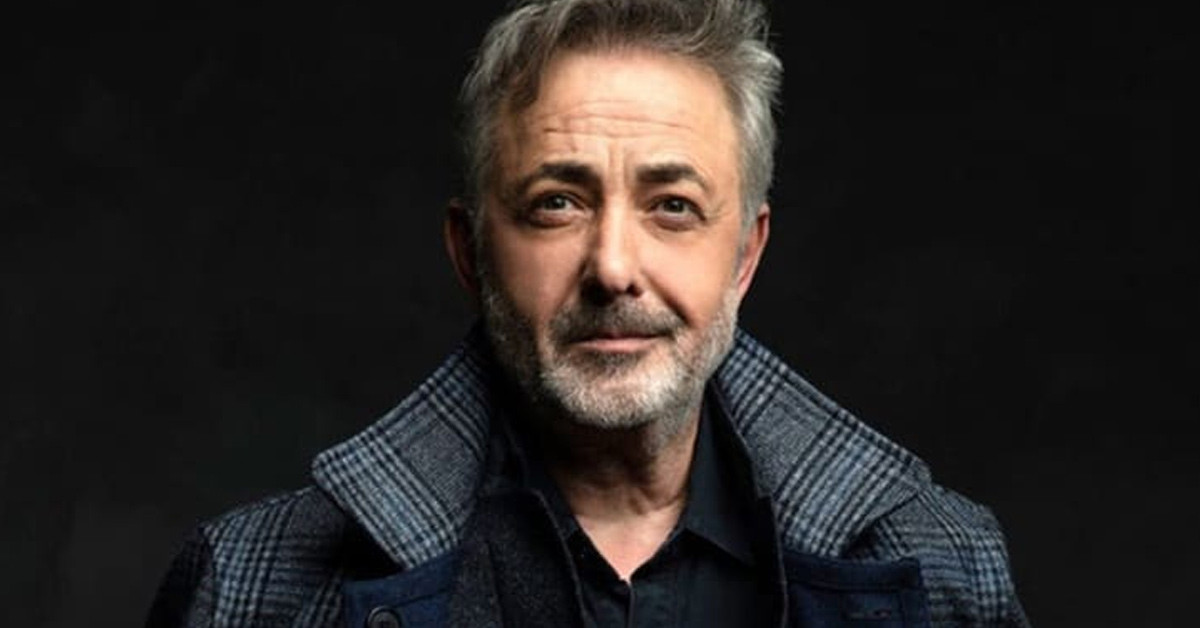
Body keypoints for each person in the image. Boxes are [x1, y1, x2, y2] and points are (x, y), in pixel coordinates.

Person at [147, 0, 1028, 626]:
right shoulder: (252, 587)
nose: (612, 267)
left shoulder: (942, 569)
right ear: (470, 251)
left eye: (672, 206)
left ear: (745, 255)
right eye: (557, 204)